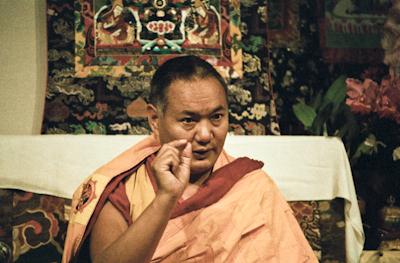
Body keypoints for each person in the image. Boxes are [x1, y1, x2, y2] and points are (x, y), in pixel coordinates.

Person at [62, 55, 317, 263]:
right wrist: (165, 198)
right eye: (188, 120)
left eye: (217, 117)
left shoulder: (252, 186)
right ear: (154, 120)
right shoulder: (122, 187)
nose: (206, 135)